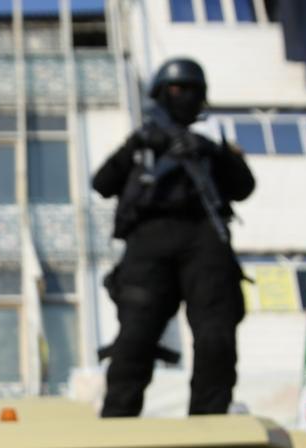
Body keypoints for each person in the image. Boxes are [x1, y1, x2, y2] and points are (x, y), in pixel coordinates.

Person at [93, 58, 255, 418]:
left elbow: (244, 187)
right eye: (178, 89)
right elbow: (102, 183)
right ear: (161, 94)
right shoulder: (143, 144)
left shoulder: (213, 142)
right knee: (136, 335)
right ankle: (117, 421)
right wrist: (136, 145)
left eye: (193, 91)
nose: (185, 97)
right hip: (148, 240)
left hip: (204, 238)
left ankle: (209, 420)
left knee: (215, 335)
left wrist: (213, 152)